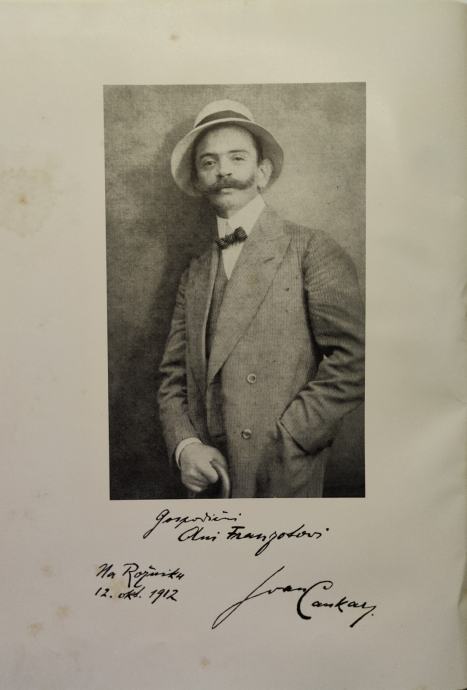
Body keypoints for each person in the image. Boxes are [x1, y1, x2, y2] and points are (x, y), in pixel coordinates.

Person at [158, 99, 364, 498]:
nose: (224, 171)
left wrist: (292, 435)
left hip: (282, 470)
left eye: (237, 158)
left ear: (262, 172)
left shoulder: (311, 249)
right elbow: (173, 377)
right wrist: (186, 446)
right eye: (209, 162)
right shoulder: (194, 274)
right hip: (211, 477)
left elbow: (355, 358)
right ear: (198, 180)